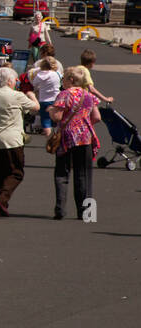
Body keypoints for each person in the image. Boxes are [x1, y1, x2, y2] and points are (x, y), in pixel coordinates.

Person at [0, 67, 40, 217]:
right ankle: (2, 198)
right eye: (15, 80)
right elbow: (36, 108)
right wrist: (32, 95)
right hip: (11, 140)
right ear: (9, 81)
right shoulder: (17, 96)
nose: (16, 82)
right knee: (16, 172)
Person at [49, 66, 100, 220]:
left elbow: (57, 117)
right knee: (84, 174)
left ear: (71, 80)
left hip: (66, 137)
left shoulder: (64, 95)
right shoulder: (89, 95)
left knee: (62, 173)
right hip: (85, 137)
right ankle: (86, 212)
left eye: (63, 78)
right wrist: (84, 124)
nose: (62, 82)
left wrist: (51, 110)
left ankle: (60, 209)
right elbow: (97, 117)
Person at [30, 56, 62, 135]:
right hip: (56, 99)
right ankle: (56, 137)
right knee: (56, 119)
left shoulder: (40, 75)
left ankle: (49, 138)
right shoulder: (57, 74)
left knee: (45, 120)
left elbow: (34, 84)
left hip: (44, 100)